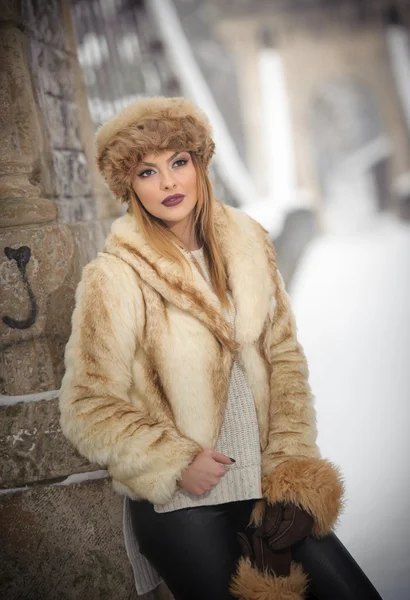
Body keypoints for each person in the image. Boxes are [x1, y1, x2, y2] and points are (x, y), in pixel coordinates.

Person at [59, 96, 382, 600]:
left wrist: (291, 469)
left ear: (199, 164)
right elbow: (87, 405)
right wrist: (173, 458)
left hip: (268, 489)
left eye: (178, 163)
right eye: (147, 172)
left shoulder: (248, 245)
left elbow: (285, 363)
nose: (168, 183)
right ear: (130, 187)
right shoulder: (115, 277)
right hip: (184, 502)